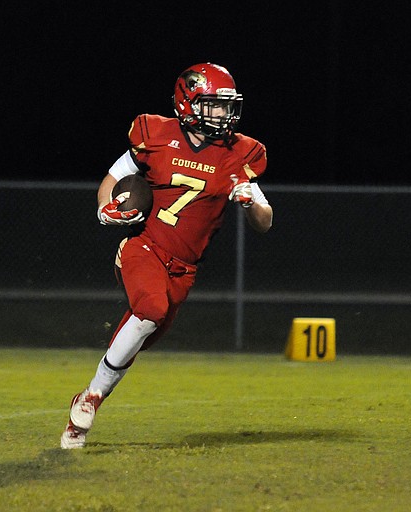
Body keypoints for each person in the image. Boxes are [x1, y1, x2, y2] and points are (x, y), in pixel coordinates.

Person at [61, 63, 274, 449]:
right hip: (145, 246)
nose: (224, 115)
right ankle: (91, 398)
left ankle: (84, 408)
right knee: (150, 310)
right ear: (188, 103)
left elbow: (265, 221)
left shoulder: (239, 154)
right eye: (214, 106)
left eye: (226, 107)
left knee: (143, 333)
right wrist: (104, 208)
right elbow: (113, 179)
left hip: (185, 269)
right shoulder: (155, 133)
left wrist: (250, 202)